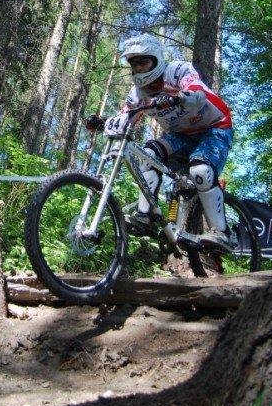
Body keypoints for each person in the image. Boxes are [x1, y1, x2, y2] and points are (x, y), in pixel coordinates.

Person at [89, 34, 234, 252]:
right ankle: (145, 216)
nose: (138, 68)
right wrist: (104, 124)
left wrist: (181, 96)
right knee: (148, 154)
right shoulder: (138, 93)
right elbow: (125, 116)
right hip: (181, 136)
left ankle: (222, 233)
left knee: (201, 170)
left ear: (156, 59)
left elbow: (198, 92)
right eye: (134, 64)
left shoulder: (177, 70)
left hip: (214, 127)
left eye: (143, 62)